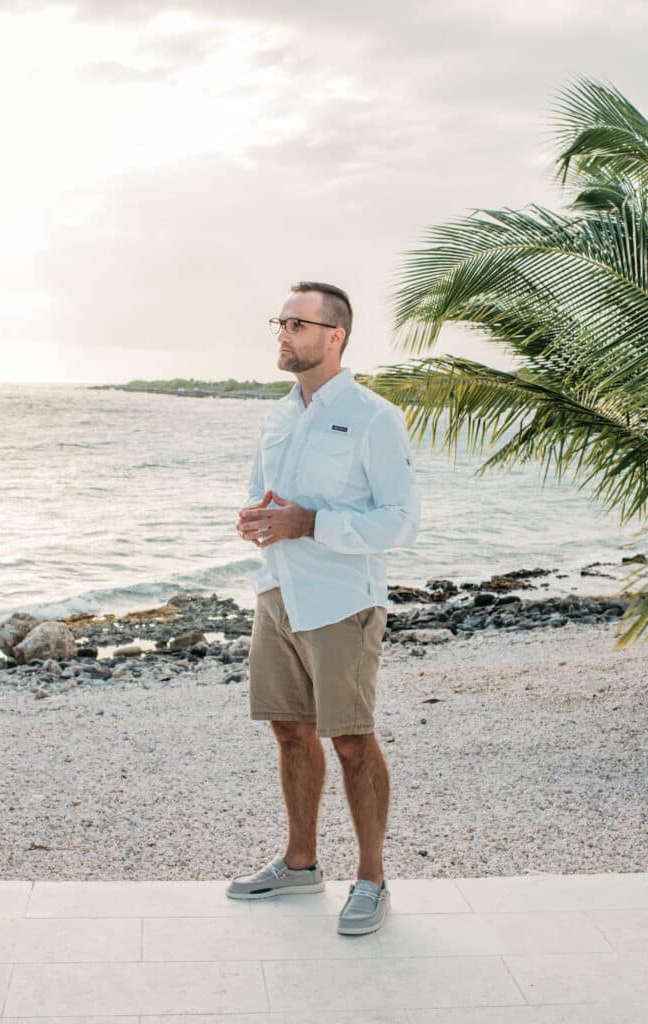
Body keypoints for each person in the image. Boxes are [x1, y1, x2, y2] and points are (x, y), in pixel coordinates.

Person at [226, 280, 421, 935]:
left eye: (297, 324)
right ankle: (301, 863)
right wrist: (256, 516)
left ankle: (372, 880)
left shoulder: (374, 417)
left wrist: (309, 524)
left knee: (352, 743)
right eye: (279, 322)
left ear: (333, 336)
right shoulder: (279, 413)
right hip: (276, 592)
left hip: (341, 604)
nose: (283, 334)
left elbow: (399, 523)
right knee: (288, 730)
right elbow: (264, 490)